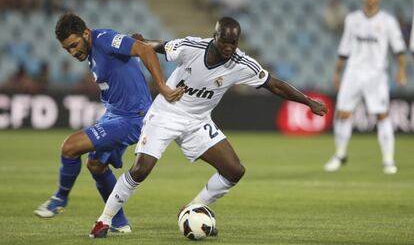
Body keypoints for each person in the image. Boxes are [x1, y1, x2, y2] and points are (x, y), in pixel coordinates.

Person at [88, 16, 328, 238]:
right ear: (215, 37)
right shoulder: (193, 47)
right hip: (166, 114)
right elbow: (163, 46)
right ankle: (104, 219)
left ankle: (192, 209)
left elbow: (274, 85)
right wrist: (140, 43)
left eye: (234, 43)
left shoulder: (242, 64)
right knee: (141, 169)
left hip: (198, 121)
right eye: (225, 41)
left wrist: (307, 101)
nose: (229, 47)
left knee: (234, 170)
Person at [34, 13, 183, 233]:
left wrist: (161, 86)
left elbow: (144, 49)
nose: (73, 52)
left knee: (70, 147)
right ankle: (120, 223)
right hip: (114, 114)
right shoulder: (92, 52)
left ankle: (60, 199)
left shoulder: (104, 39)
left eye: (74, 45)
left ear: (86, 33)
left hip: (133, 117)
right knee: (96, 165)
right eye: (67, 49)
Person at [324, 0, 407, 175]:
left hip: (376, 75)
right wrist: (337, 72)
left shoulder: (388, 21)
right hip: (353, 72)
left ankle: (388, 160)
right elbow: (344, 49)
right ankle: (340, 154)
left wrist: (401, 70)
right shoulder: (352, 19)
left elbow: (399, 51)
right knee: (343, 113)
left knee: (382, 115)